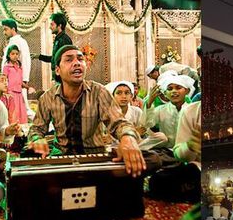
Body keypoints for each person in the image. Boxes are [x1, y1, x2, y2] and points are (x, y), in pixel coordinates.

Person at [27, 45, 145, 177]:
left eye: (80, 59)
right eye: (69, 60)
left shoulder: (99, 92)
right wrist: (37, 139)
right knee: (27, 169)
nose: (77, 63)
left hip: (94, 157)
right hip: (61, 156)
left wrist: (128, 137)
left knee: (151, 158)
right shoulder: (47, 98)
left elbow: (119, 123)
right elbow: (36, 129)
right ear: (58, 70)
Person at [1, 19, 31, 116]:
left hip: (19, 81)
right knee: (13, 108)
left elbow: (26, 60)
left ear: (13, 29)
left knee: (24, 108)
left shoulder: (21, 41)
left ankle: (45, 126)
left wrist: (25, 79)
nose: (4, 32)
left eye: (6, 30)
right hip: (9, 82)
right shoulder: (11, 42)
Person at [31, 12, 73, 76]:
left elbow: (66, 60)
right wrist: (38, 56)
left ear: (59, 26)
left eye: (52, 25)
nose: (50, 27)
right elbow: (54, 59)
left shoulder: (64, 40)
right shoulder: (58, 39)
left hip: (62, 75)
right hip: (58, 74)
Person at [3, 45, 28, 124]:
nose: (15, 56)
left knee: (22, 114)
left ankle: (22, 133)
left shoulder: (20, 68)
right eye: (13, 54)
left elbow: (20, 82)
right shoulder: (7, 67)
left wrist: (28, 87)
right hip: (11, 93)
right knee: (13, 114)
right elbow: (4, 80)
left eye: (17, 54)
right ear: (8, 55)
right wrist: (5, 93)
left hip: (19, 94)